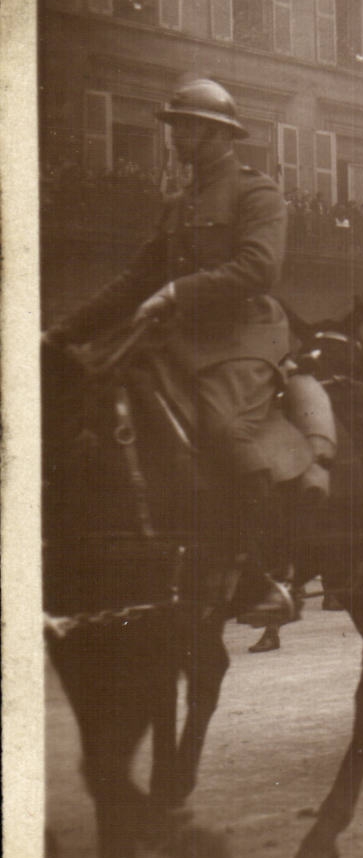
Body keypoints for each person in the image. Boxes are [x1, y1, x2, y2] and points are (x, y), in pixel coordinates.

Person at [44, 76, 302, 625]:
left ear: (216, 135)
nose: (174, 137)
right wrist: (61, 334)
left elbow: (260, 268)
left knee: (226, 429)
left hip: (243, 335)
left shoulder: (256, 193)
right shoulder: (179, 203)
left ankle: (258, 571)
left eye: (186, 127)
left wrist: (177, 291)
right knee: (100, 402)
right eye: (175, 126)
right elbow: (135, 280)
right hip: (181, 338)